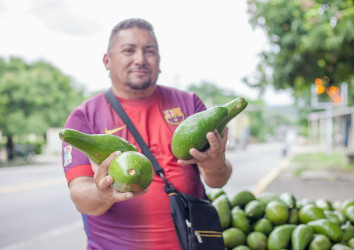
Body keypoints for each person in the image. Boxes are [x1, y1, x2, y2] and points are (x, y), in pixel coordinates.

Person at [61, 18, 232, 250]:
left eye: (149, 51)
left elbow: (218, 180)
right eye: (128, 50)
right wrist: (104, 194)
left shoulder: (189, 103)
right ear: (107, 61)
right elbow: (80, 196)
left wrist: (214, 164)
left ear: (159, 61)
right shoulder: (84, 117)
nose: (140, 59)